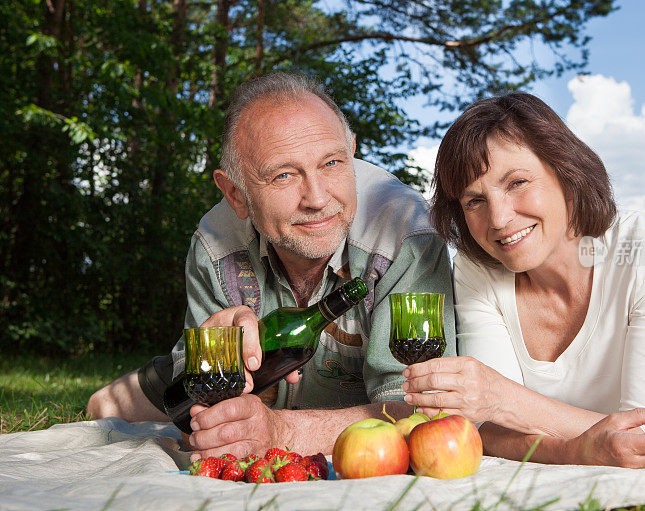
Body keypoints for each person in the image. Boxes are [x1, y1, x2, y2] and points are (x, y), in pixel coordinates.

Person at [402, 92, 645, 468]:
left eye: (517, 182)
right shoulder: (478, 268)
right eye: (474, 201)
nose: (498, 219)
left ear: (566, 172)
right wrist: (572, 451)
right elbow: (491, 429)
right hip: (644, 385)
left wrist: (503, 398)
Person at [87, 72, 456, 459]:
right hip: (241, 376)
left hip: (337, 405)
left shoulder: (407, 235)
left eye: (332, 162)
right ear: (236, 193)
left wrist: (279, 430)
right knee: (103, 408)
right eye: (283, 175)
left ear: (351, 152)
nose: (316, 198)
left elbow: (418, 412)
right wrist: (215, 369)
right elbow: (200, 415)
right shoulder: (214, 242)